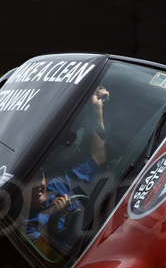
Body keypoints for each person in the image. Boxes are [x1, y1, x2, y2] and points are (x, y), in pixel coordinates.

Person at [25, 85, 110, 251]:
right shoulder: (24, 221)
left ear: (44, 176)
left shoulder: (59, 185)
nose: (37, 186)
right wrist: (54, 217)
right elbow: (43, 253)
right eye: (27, 182)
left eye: (38, 177)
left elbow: (99, 157)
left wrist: (97, 110)